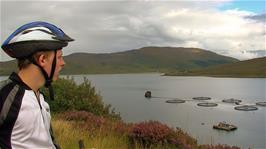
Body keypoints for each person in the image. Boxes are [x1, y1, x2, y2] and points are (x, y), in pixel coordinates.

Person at [0, 21, 74, 149]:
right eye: (59, 57)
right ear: (42, 59)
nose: (63, 63)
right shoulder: (6, 95)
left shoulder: (40, 98)